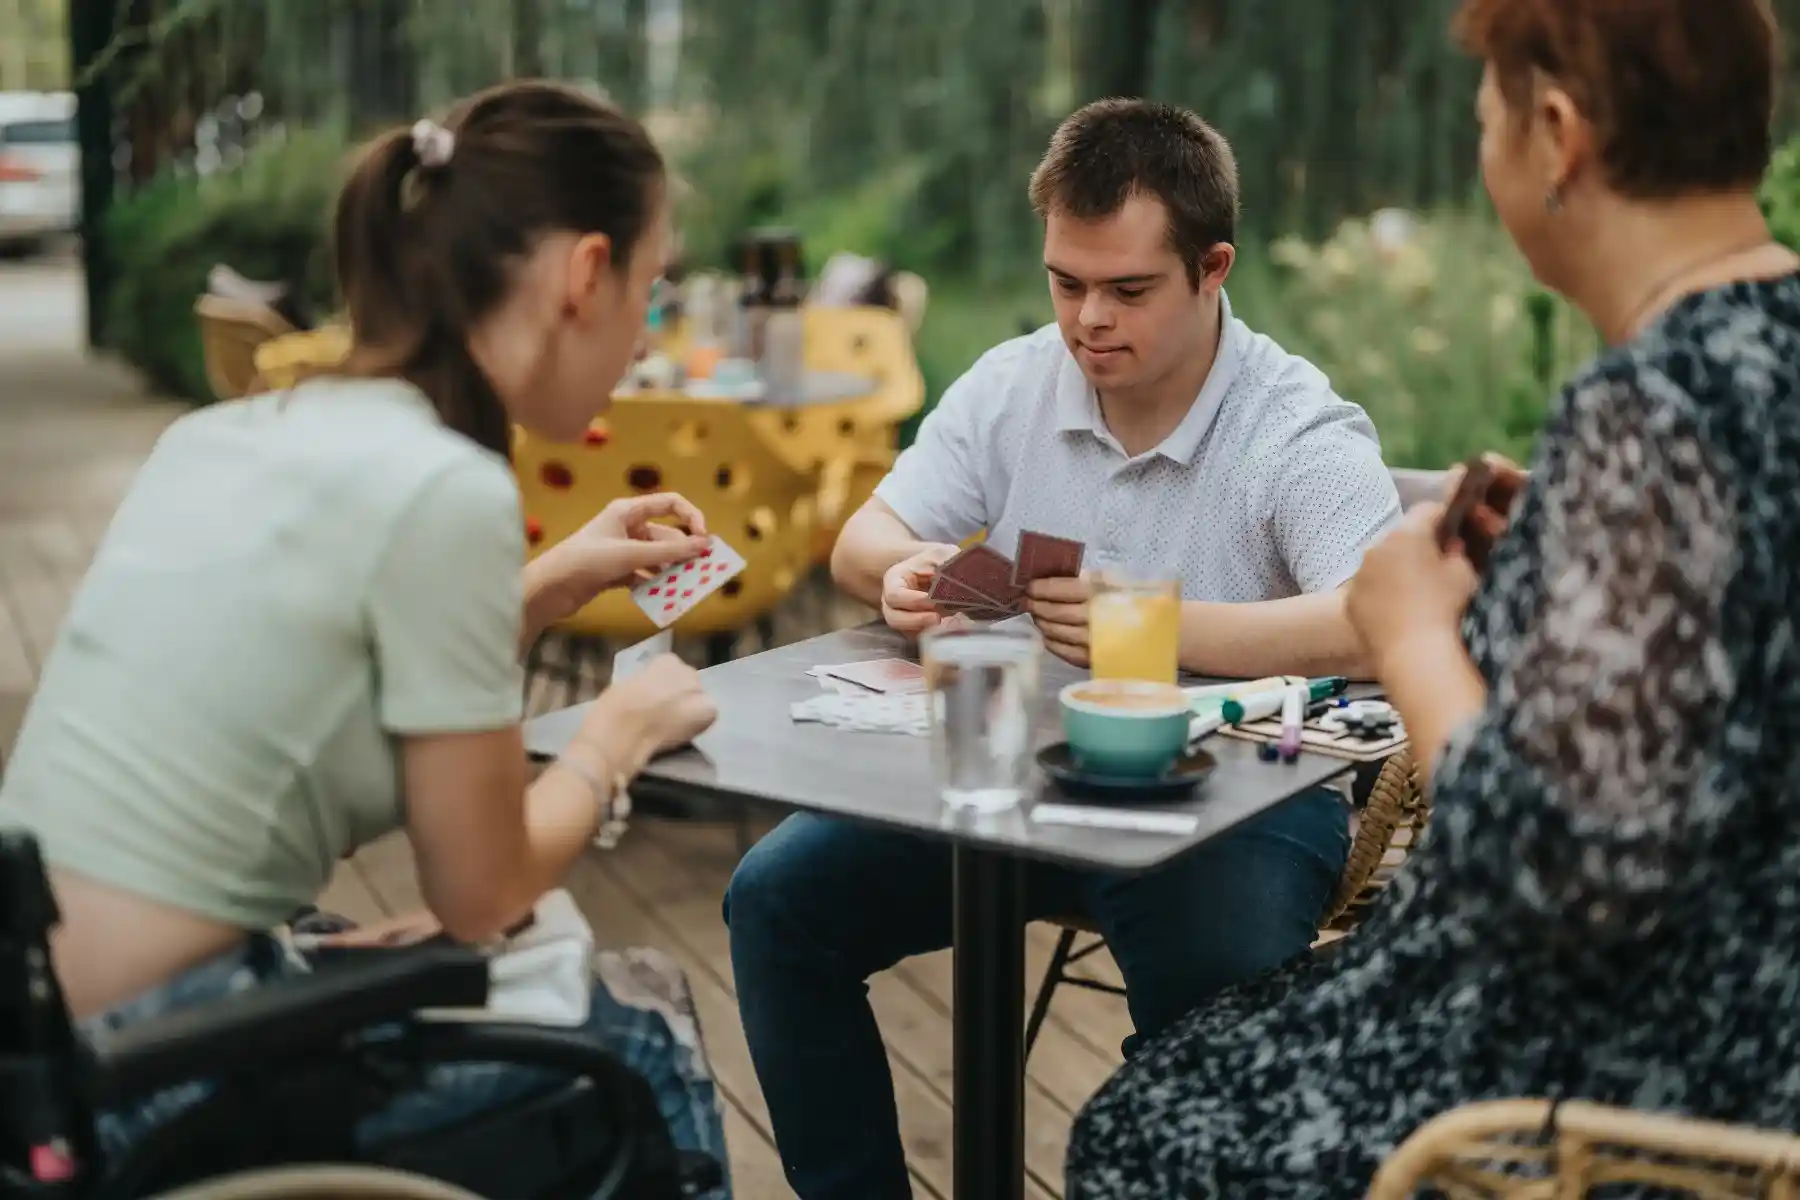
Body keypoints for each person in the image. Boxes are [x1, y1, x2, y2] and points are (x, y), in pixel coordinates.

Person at [1064, 0, 1800, 1195]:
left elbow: (1555, 872)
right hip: (1766, 1041)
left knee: (1147, 1127)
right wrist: (1547, 569)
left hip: (1623, 1073)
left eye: (1484, 121)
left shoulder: (1651, 412)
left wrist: (1407, 630)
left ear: (1554, 133)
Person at [0, 81, 731, 1195]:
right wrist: (616, 738)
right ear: (587, 274)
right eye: (651, 285)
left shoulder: (228, 433)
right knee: (641, 1037)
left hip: (39, 1028)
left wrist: (538, 589)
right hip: (149, 1069)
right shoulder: (444, 490)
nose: (646, 327)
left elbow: (320, 672)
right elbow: (483, 891)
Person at [724, 99, 1402, 1199]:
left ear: (1211, 267)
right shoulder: (1014, 382)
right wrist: (897, 573)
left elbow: (1380, 614)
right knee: (775, 902)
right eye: (1065, 281)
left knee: (1217, 1010)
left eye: (1127, 290)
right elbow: (863, 536)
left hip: (1232, 793)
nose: (1087, 320)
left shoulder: (1295, 424)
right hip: (1018, 769)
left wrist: (1159, 623)